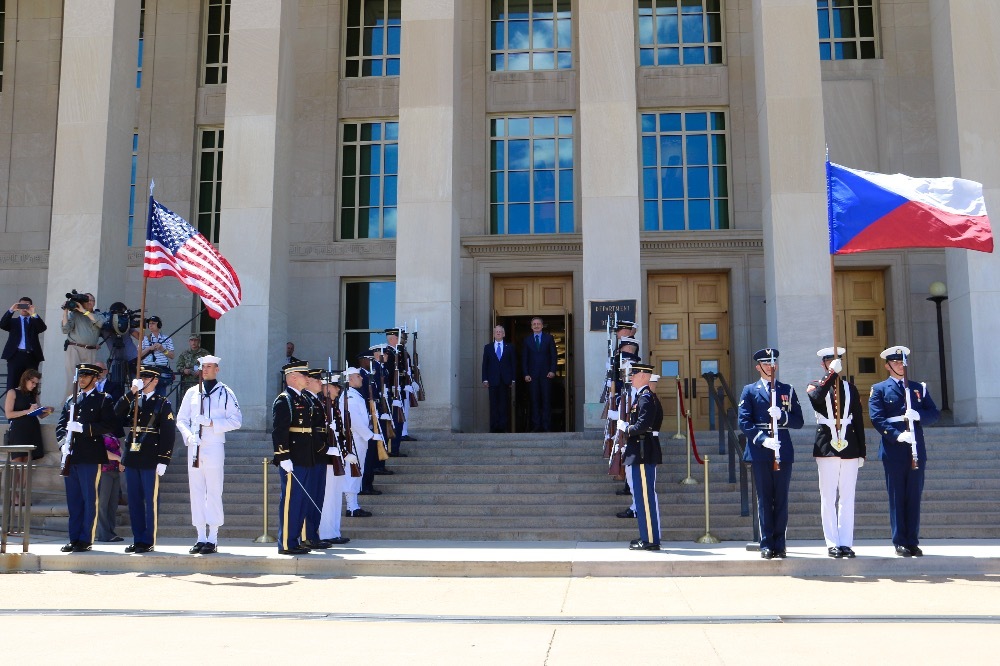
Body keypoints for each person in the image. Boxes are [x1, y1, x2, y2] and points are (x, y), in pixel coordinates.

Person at [869, 345, 940, 557]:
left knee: (913, 495)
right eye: (897, 362)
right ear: (887, 366)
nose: (901, 365)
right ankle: (900, 540)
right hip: (894, 449)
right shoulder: (880, 389)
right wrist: (896, 435)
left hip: (916, 447)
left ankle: (912, 540)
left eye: (903, 362)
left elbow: (934, 413)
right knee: (897, 496)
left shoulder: (918, 388)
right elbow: (876, 418)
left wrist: (918, 415)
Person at [737, 348, 804, 559]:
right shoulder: (749, 390)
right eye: (766, 364)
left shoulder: (787, 390)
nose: (770, 367)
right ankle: (766, 543)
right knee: (764, 499)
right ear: (758, 367)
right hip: (760, 450)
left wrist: (782, 416)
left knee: (781, 499)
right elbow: (744, 422)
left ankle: (780, 543)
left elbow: (799, 421)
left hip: (782, 450)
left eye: (773, 363)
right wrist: (763, 439)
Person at [175, 354, 242, 555]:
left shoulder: (225, 393)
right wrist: (188, 437)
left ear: (217, 369)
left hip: (213, 445)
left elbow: (236, 420)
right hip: (195, 446)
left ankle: (212, 537)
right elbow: (181, 419)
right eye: (203, 366)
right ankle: (200, 536)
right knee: (196, 491)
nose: (205, 370)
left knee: (213, 490)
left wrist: (212, 423)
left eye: (209, 366)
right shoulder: (192, 392)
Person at [806, 347, 867, 559]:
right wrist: (830, 374)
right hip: (826, 446)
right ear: (823, 364)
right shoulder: (815, 384)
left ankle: (845, 543)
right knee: (828, 496)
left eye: (837, 360)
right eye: (829, 361)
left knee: (848, 497)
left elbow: (858, 419)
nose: (834, 363)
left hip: (849, 445)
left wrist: (862, 452)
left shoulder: (850, 388)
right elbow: (816, 398)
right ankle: (832, 542)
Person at [56, 362, 116, 553]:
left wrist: (85, 429)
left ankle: (85, 539)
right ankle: (74, 538)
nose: (81, 379)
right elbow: (60, 425)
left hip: (90, 455)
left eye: (86, 376)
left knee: (89, 498)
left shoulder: (103, 399)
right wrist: (63, 443)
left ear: (95, 378)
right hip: (71, 456)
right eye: (80, 376)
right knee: (73, 499)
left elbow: (109, 424)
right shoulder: (71, 400)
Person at [115, 366, 175, 553]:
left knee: (151, 500)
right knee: (134, 501)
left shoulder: (163, 403)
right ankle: (138, 537)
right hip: (133, 456)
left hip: (150, 456)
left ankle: (148, 540)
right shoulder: (134, 399)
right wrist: (131, 392)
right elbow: (115, 413)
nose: (141, 380)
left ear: (155, 381)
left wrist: (164, 459)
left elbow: (168, 433)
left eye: (146, 377)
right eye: (140, 377)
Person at [614, 363, 663, 551]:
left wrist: (625, 428)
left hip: (642, 451)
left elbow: (643, 426)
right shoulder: (643, 397)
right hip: (640, 450)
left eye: (634, 374)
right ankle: (648, 536)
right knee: (642, 498)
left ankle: (650, 539)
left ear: (643, 376)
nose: (631, 378)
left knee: (645, 497)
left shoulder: (645, 397)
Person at [271, 361, 318, 555]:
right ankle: (287, 542)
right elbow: (279, 431)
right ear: (292, 377)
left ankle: (295, 539)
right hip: (292, 458)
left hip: (305, 457)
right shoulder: (285, 399)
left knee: (301, 501)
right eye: (304, 374)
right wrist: (283, 455)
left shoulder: (304, 399)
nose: (308, 378)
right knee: (291, 501)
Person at [3, 369, 51, 505]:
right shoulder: (13, 392)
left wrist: (48, 411)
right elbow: (8, 414)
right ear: (25, 379)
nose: (34, 385)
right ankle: (13, 495)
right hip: (19, 429)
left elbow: (40, 415)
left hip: (32, 429)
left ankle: (20, 494)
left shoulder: (33, 395)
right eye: (32, 382)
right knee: (17, 462)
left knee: (27, 463)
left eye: (36, 383)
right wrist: (27, 411)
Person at [318, 376, 352, 545]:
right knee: (328, 497)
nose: (338, 390)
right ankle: (325, 533)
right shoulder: (321, 407)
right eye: (335, 386)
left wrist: (345, 452)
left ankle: (334, 531)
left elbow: (341, 433)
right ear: (326, 387)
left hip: (337, 455)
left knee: (336, 497)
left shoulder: (334, 408)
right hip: (327, 458)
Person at [342, 366, 377, 518]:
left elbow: (360, 417)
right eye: (358, 376)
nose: (361, 378)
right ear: (350, 379)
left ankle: (354, 505)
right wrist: (370, 435)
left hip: (359, 439)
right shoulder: (349, 396)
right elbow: (353, 420)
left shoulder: (355, 395)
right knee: (352, 472)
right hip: (354, 439)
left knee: (357, 472)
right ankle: (351, 507)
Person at [2, 297, 46, 393]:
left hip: (31, 356)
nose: (24, 308)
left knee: (32, 384)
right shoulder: (14, 321)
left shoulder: (34, 320)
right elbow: (3, 324)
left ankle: (32, 406)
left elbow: (42, 328)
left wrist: (33, 313)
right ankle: (11, 406)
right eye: (21, 305)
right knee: (12, 383)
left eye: (26, 305)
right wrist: (11, 310)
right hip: (15, 355)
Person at [522, 316, 559, 432]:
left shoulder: (549, 338)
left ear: (542, 326)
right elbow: (524, 359)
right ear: (531, 327)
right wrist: (526, 373)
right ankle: (536, 425)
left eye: (538, 324)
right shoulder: (527, 340)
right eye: (534, 324)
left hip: (546, 375)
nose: (536, 326)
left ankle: (546, 426)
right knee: (534, 401)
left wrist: (553, 370)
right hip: (532, 377)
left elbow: (554, 356)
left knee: (546, 401)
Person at [61, 292, 102, 393]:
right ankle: (69, 405)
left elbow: (100, 323)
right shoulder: (74, 314)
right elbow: (65, 329)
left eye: (91, 300)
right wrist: (65, 311)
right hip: (74, 349)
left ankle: (84, 404)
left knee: (89, 378)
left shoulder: (98, 315)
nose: (88, 302)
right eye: (86, 300)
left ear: (94, 302)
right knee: (73, 378)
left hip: (90, 351)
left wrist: (84, 311)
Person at [100, 301, 140, 403]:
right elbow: (139, 336)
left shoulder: (123, 322)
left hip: (129, 359)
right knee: (129, 386)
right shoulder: (107, 324)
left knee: (135, 385)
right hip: (124, 359)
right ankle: (122, 407)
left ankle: (128, 408)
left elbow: (140, 336)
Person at [482, 324, 517, 433]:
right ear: (493, 334)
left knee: (503, 404)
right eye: (496, 332)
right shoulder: (487, 347)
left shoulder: (510, 347)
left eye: (500, 331)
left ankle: (503, 427)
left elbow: (513, 364)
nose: (498, 333)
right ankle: (494, 427)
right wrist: (485, 379)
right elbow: (485, 364)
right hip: (492, 380)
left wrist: (513, 379)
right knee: (493, 405)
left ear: (504, 334)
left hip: (505, 380)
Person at [384, 328, 411, 456]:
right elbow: (387, 375)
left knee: (399, 420)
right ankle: (392, 448)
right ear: (393, 338)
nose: (403, 341)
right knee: (394, 421)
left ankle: (395, 448)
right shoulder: (387, 353)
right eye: (400, 338)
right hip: (392, 393)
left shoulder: (398, 353)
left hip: (399, 391)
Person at [95, 429, 124, 543]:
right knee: (103, 504)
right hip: (103, 471)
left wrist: (123, 461)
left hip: (114, 471)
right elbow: (102, 451)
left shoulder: (111, 433)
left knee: (112, 504)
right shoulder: (97, 434)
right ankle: (103, 534)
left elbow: (119, 449)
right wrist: (118, 458)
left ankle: (111, 532)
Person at [140, 316, 175, 397]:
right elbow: (139, 355)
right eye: (149, 323)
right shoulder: (144, 339)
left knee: (161, 395)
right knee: (147, 394)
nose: (150, 325)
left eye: (153, 323)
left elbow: (172, 355)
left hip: (161, 370)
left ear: (159, 325)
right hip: (148, 369)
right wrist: (149, 348)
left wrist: (162, 349)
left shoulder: (167, 339)